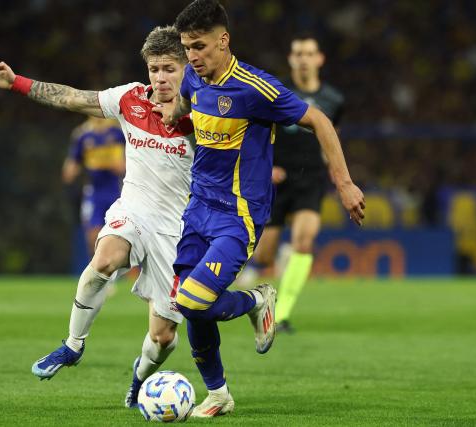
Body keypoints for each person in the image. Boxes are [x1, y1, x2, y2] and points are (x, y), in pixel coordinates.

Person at [153, 0, 366, 417]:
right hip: (198, 209)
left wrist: (344, 183)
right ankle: (218, 394)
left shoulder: (255, 87)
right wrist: (173, 116)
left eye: (199, 46)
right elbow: (188, 112)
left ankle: (255, 300)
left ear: (223, 40)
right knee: (188, 306)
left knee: (195, 300)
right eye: (186, 47)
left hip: (238, 216)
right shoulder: (194, 81)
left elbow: (320, 120)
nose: (191, 57)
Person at [0, 26, 196, 408]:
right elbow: (74, 99)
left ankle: (140, 377)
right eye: (154, 68)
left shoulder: (203, 113)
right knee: (104, 258)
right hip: (133, 208)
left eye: (169, 68)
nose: (160, 77)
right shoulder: (129, 99)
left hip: (176, 228)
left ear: (187, 68)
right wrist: (16, 83)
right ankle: (72, 345)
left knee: (162, 337)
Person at [243, 35, 345, 334]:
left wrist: (337, 174)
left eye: (309, 53)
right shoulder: (277, 91)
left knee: (305, 240)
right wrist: (265, 166)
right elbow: (257, 132)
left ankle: (282, 314)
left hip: (311, 178)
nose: (303, 58)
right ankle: (281, 262)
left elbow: (332, 136)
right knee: (262, 256)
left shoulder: (334, 100)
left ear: (319, 59)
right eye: (298, 53)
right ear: (291, 58)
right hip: (276, 178)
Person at [62, 116, 125, 258]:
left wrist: (118, 165)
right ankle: (100, 274)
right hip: (94, 192)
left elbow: (125, 164)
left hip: (117, 192)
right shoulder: (83, 135)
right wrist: (70, 170)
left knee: (119, 235)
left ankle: (115, 271)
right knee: (92, 236)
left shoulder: (117, 132)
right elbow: (72, 163)